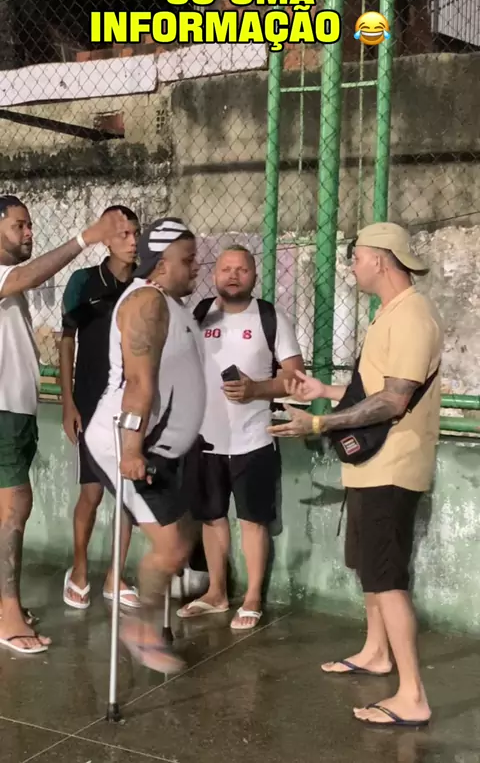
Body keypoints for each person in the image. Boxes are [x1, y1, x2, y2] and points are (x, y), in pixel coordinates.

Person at [269, 222, 443, 728]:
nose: (352, 267)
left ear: (381, 260)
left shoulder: (411, 316)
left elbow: (394, 399)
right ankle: (376, 652)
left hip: (394, 465)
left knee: (387, 577)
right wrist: (325, 392)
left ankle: (412, 695)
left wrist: (319, 423)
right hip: (373, 464)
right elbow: (375, 387)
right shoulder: (390, 313)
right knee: (370, 568)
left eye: (357, 258)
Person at [0, 195, 129, 654]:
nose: (28, 233)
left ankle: (4, 606)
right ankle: (9, 616)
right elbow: (28, 276)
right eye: (19, 225)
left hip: (16, 411)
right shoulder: (8, 277)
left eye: (30, 225)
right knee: (14, 507)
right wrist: (86, 237)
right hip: (3, 412)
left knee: (9, 508)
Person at [85, 217, 206, 674]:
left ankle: (149, 615)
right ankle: (140, 629)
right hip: (129, 443)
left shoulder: (170, 304)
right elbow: (138, 383)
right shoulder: (146, 304)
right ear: (160, 265)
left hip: (160, 446)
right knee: (172, 546)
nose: (196, 268)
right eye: (188, 260)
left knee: (184, 534)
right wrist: (132, 450)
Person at [177, 245, 304, 630]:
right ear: (214, 274)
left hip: (253, 440)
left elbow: (296, 379)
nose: (233, 275)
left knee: (252, 520)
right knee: (212, 518)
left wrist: (257, 390)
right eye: (226, 269)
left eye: (242, 269)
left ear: (254, 276)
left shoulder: (270, 317)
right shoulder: (198, 315)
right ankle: (216, 593)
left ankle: (252, 598)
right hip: (204, 440)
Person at [60, 205, 141, 611]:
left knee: (126, 494)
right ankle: (78, 571)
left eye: (136, 233)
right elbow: (67, 341)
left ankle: (115, 575)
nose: (132, 241)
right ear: (106, 239)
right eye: (123, 234)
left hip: (133, 404)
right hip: (91, 402)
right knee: (91, 493)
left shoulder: (145, 284)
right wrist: (68, 402)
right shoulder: (83, 282)